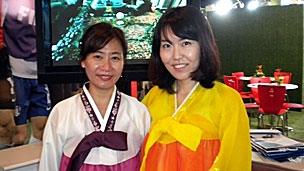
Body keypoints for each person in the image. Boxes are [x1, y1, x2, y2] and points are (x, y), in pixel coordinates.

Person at [140, 6, 251, 171]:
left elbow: (235, 163)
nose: (176, 55)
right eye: (167, 45)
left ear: (203, 46)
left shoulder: (228, 100)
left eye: (185, 43)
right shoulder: (153, 97)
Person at [39, 22, 151, 171]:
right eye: (98, 56)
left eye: (115, 58)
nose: (106, 67)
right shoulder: (62, 112)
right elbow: (49, 165)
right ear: (83, 61)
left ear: (124, 62)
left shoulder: (138, 111)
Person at [2, 0, 51, 145]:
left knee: (42, 128)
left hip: (41, 73)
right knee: (18, 134)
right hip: (16, 72)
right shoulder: (7, 4)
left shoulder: (50, 5)